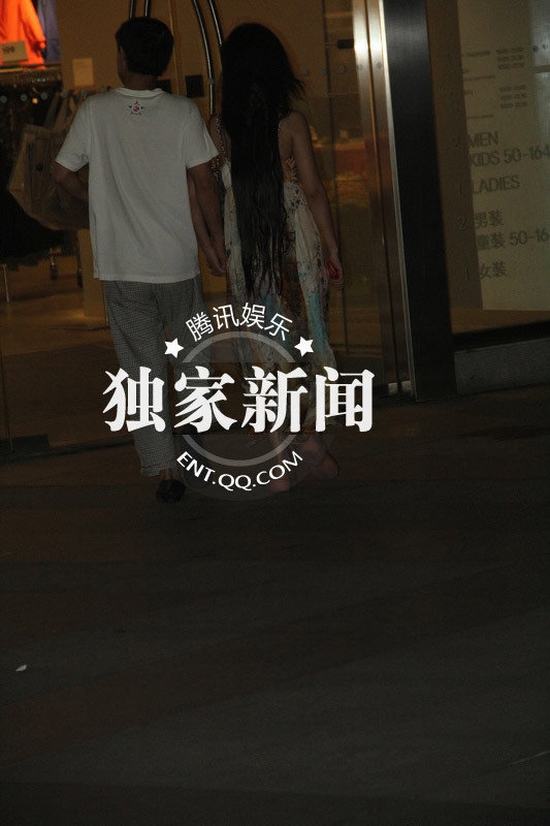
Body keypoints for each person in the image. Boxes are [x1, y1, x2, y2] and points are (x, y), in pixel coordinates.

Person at [53, 16, 224, 503]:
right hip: (177, 262)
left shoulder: (95, 111)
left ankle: (164, 467)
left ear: (123, 58)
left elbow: (62, 174)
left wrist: (97, 199)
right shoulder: (183, 112)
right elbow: (204, 183)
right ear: (164, 62)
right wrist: (215, 241)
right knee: (193, 357)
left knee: (141, 371)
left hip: (122, 266)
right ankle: (196, 441)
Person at [196, 22, 343, 486]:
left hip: (245, 248)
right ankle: (312, 439)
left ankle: (281, 453)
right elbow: (314, 190)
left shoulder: (218, 128)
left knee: (261, 344)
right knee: (310, 337)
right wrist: (332, 247)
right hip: (296, 244)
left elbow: (203, 188)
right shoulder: (290, 123)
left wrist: (211, 242)